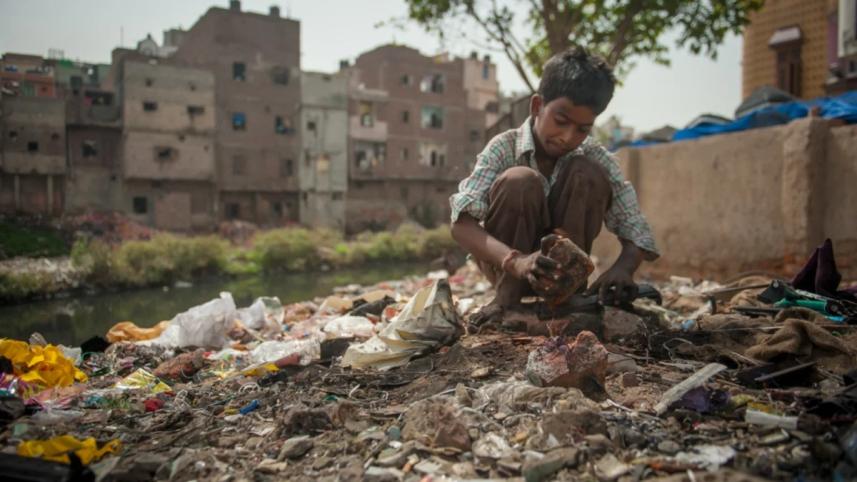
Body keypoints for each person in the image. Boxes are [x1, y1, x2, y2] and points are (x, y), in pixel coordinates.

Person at [449, 47, 659, 325]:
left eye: (582, 129)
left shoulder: (591, 154)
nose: (568, 137)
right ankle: (506, 301)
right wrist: (518, 261)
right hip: (509, 269)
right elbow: (461, 225)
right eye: (561, 121)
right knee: (520, 180)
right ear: (537, 107)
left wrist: (624, 267)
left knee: (587, 172)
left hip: (563, 277)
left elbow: (636, 227)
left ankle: (566, 299)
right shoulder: (503, 147)